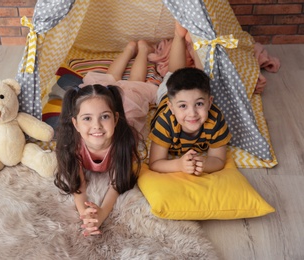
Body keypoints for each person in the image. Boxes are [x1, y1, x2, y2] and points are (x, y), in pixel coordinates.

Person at [54, 84, 142, 237]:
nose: (97, 126)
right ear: (76, 124)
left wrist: (101, 214)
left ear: (115, 119)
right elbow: (78, 185)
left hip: (134, 111)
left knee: (136, 88)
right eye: (87, 118)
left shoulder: (125, 142)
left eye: (105, 117)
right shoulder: (72, 145)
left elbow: (116, 185)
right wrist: (85, 214)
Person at [148, 23, 232, 175]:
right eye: (182, 107)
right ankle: (179, 36)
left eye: (199, 104)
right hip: (167, 94)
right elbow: (155, 163)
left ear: (210, 102)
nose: (192, 113)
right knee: (172, 74)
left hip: (182, 96)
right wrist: (179, 165)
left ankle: (195, 41)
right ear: (172, 108)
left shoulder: (216, 118)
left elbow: (218, 160)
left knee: (203, 78)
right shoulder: (165, 121)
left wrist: (206, 164)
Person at [80, 40, 158, 138]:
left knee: (132, 79)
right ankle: (132, 49)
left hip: (123, 104)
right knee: (114, 76)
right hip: (114, 100)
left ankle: (139, 50)